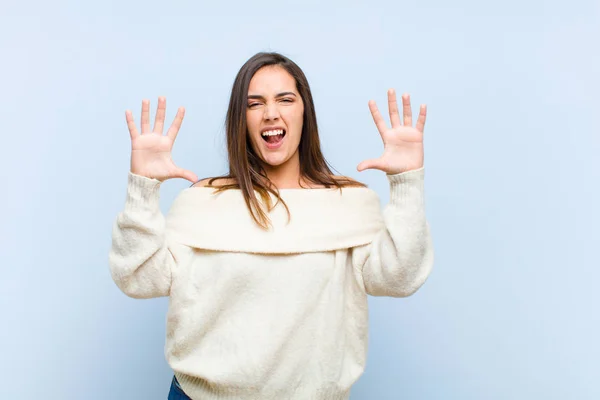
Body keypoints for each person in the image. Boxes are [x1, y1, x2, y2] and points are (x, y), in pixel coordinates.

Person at [109, 51, 434, 400]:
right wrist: (143, 188)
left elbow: (400, 277)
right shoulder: (204, 201)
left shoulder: (347, 204)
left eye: (285, 99)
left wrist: (405, 183)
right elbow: (138, 278)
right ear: (241, 119)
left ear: (304, 112)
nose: (271, 113)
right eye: (255, 103)